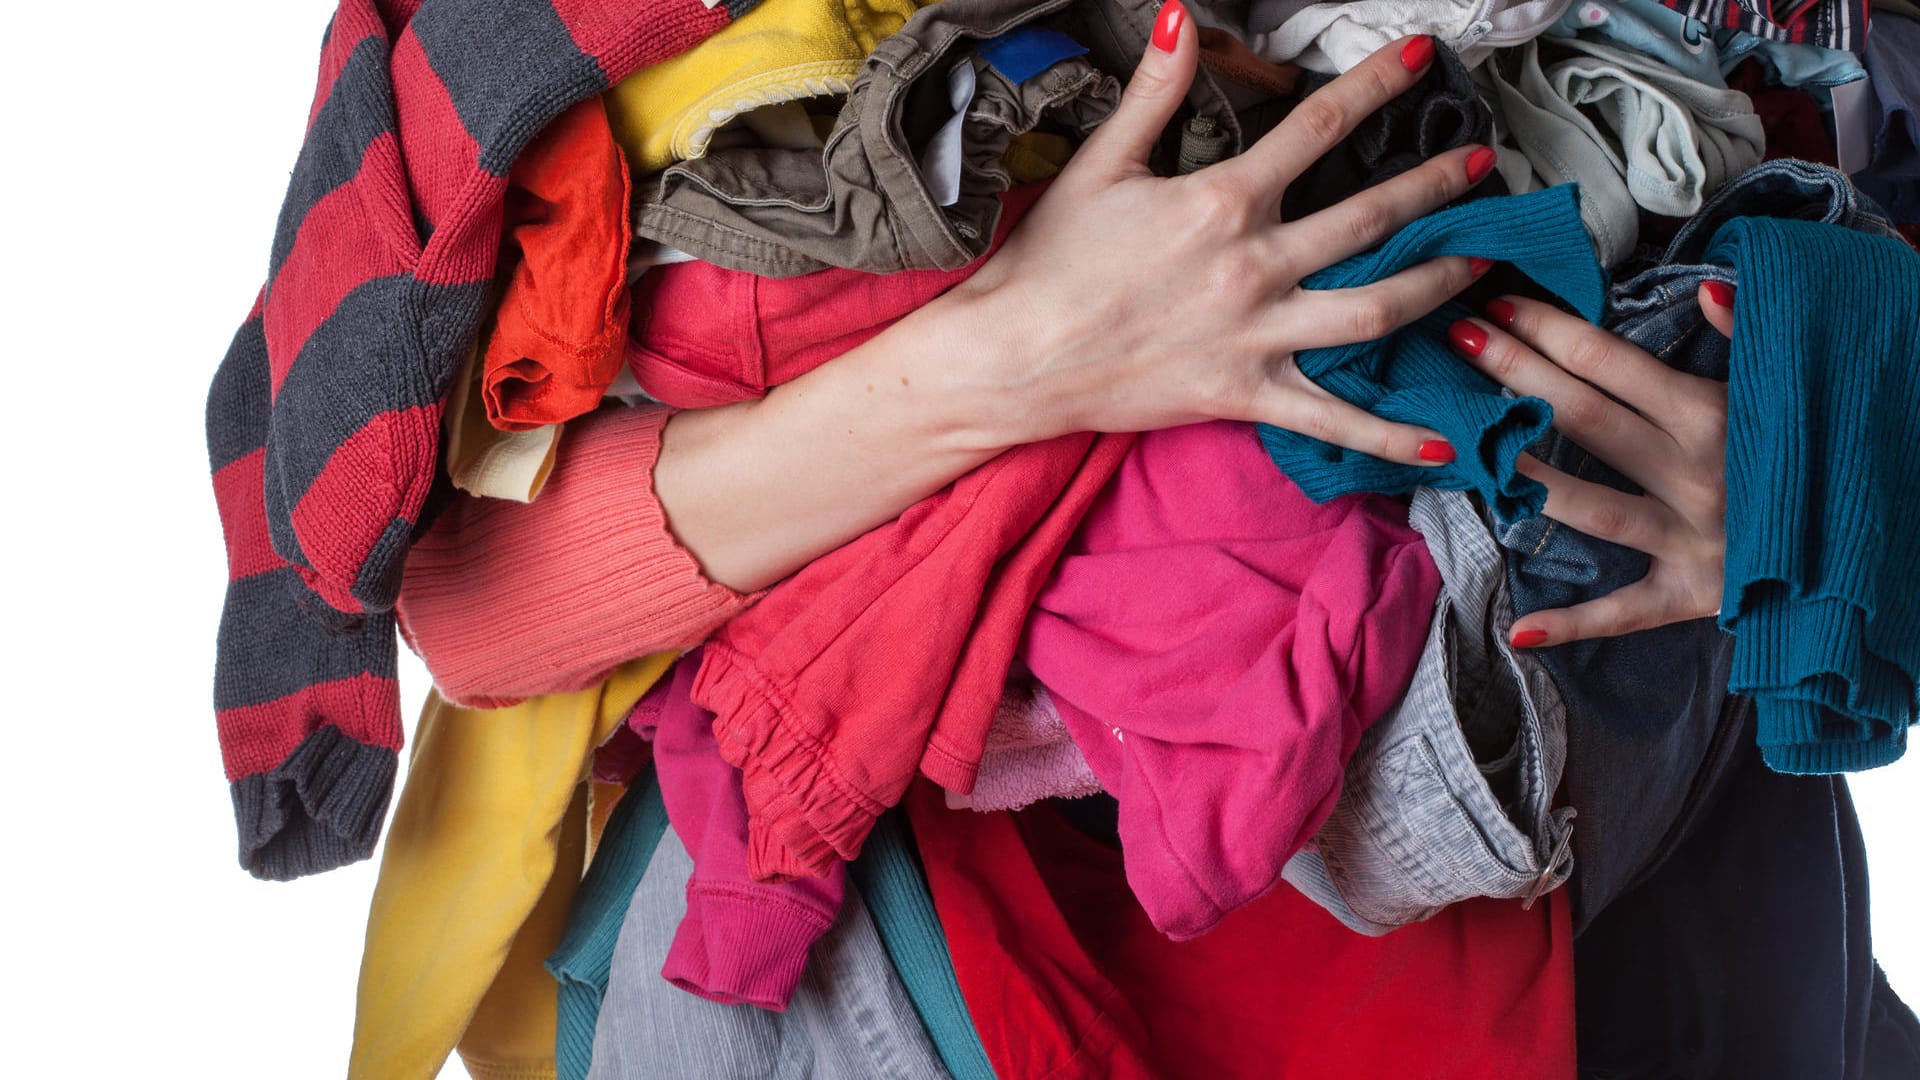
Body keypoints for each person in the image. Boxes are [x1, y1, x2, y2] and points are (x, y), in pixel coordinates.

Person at [402, 20, 1732, 687]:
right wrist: (1012, 361)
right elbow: (468, 605)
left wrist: (1843, 496)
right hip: (1005, 926)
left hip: (1612, 833)